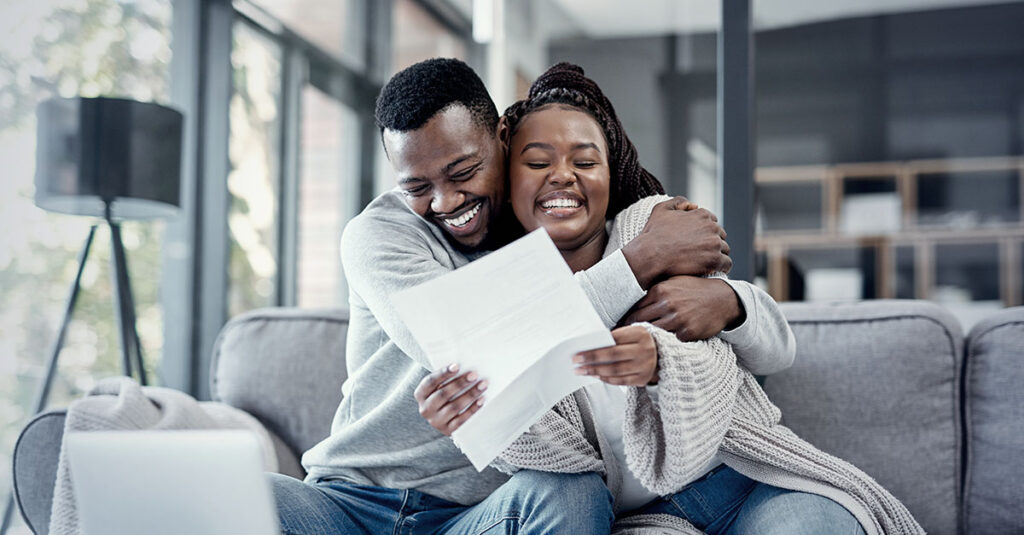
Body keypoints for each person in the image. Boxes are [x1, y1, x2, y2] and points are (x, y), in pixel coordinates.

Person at [269, 58, 792, 534]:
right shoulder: (380, 235)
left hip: (480, 516)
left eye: (463, 172)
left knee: (571, 493)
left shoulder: (556, 230)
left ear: (501, 138)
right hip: (351, 504)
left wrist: (728, 301)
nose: (446, 202)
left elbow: (745, 345)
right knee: (251, 496)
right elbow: (472, 345)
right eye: (417, 187)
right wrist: (642, 262)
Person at [417, 62, 924, 535]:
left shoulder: (654, 229)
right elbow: (548, 460)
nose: (563, 174)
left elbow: (768, 350)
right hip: (647, 515)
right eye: (537, 161)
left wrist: (727, 305)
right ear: (509, 180)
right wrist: (474, 419)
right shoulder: (499, 301)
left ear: (610, 173)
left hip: (748, 477)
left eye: (586, 160)